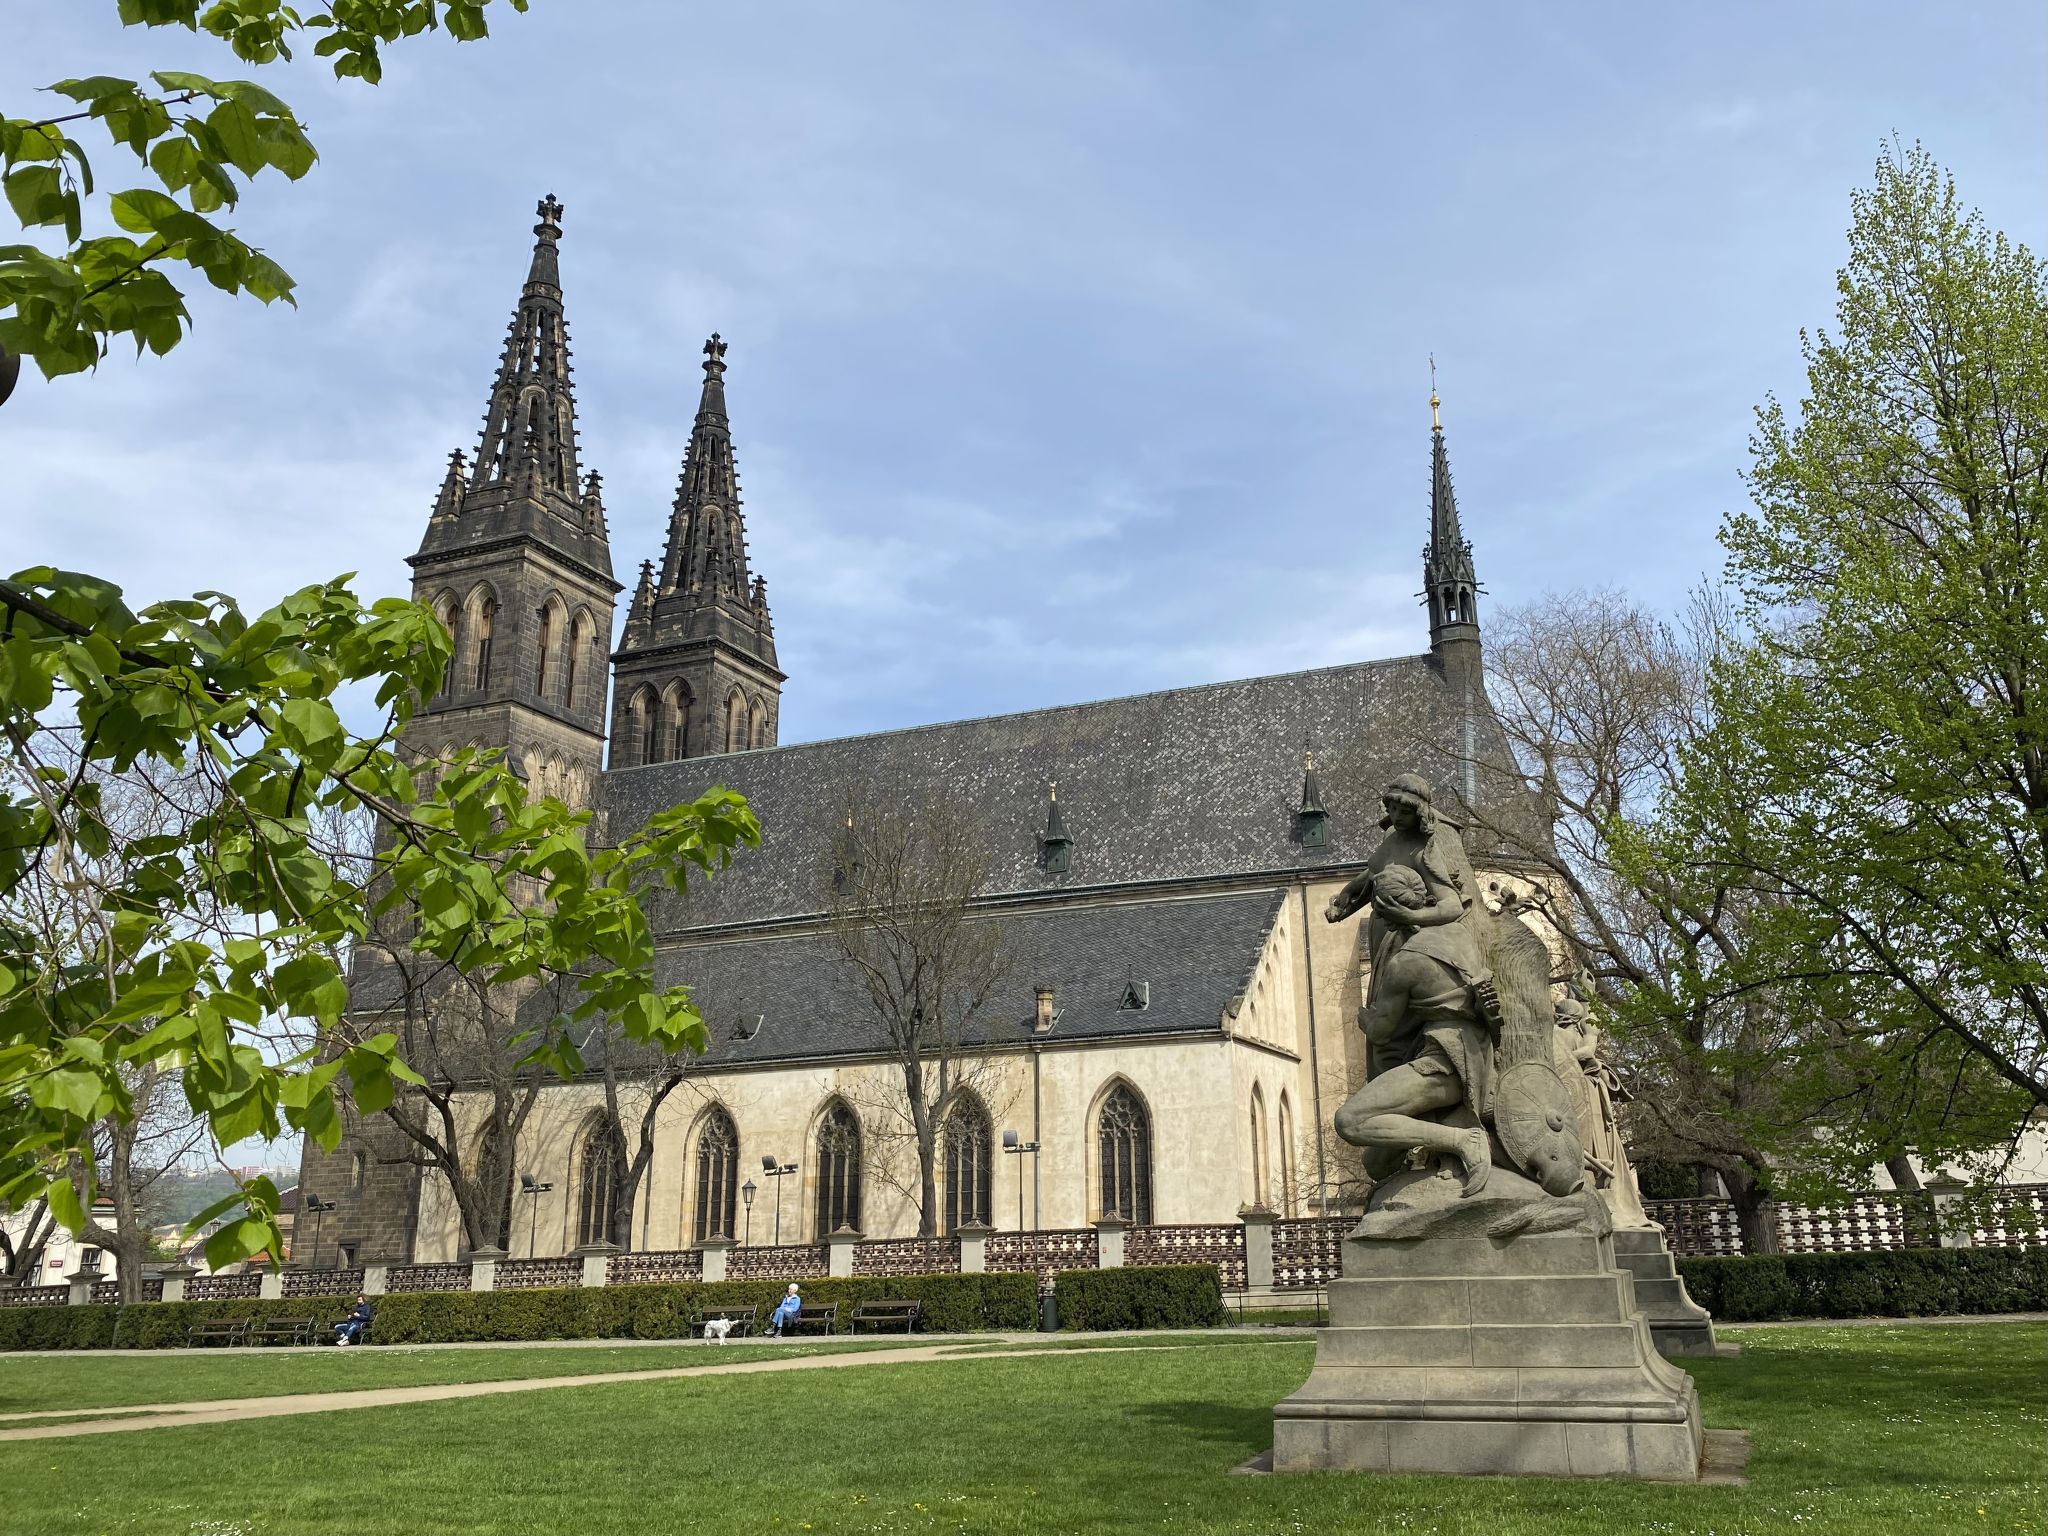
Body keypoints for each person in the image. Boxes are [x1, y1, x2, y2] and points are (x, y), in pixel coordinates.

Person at [1324, 774, 1500, 1196]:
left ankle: (1457, 1140)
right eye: (1391, 808)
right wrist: (1346, 900)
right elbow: (1369, 879)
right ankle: (1419, 1142)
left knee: (1380, 1061)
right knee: (1376, 1160)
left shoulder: (1429, 847)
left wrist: (1411, 920)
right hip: (1398, 955)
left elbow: (1452, 904)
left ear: (1420, 810)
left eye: (1404, 809)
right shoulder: (1389, 846)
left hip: (1413, 972)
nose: (1396, 815)